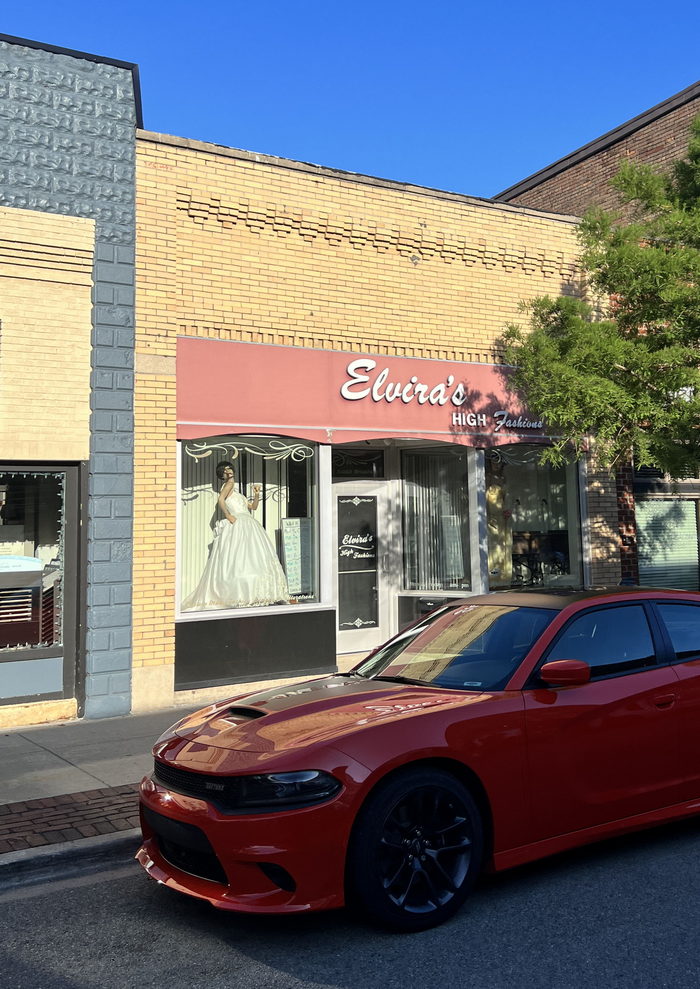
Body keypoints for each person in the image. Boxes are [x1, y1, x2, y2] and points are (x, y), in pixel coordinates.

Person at [182, 461, 289, 610]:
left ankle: (251, 594)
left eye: (229, 468)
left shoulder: (236, 491)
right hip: (240, 522)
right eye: (225, 469)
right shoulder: (228, 486)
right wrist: (228, 515)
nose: (229, 471)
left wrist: (257, 494)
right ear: (222, 474)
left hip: (248, 522)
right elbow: (220, 500)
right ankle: (242, 594)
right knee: (242, 557)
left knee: (248, 557)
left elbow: (253, 507)